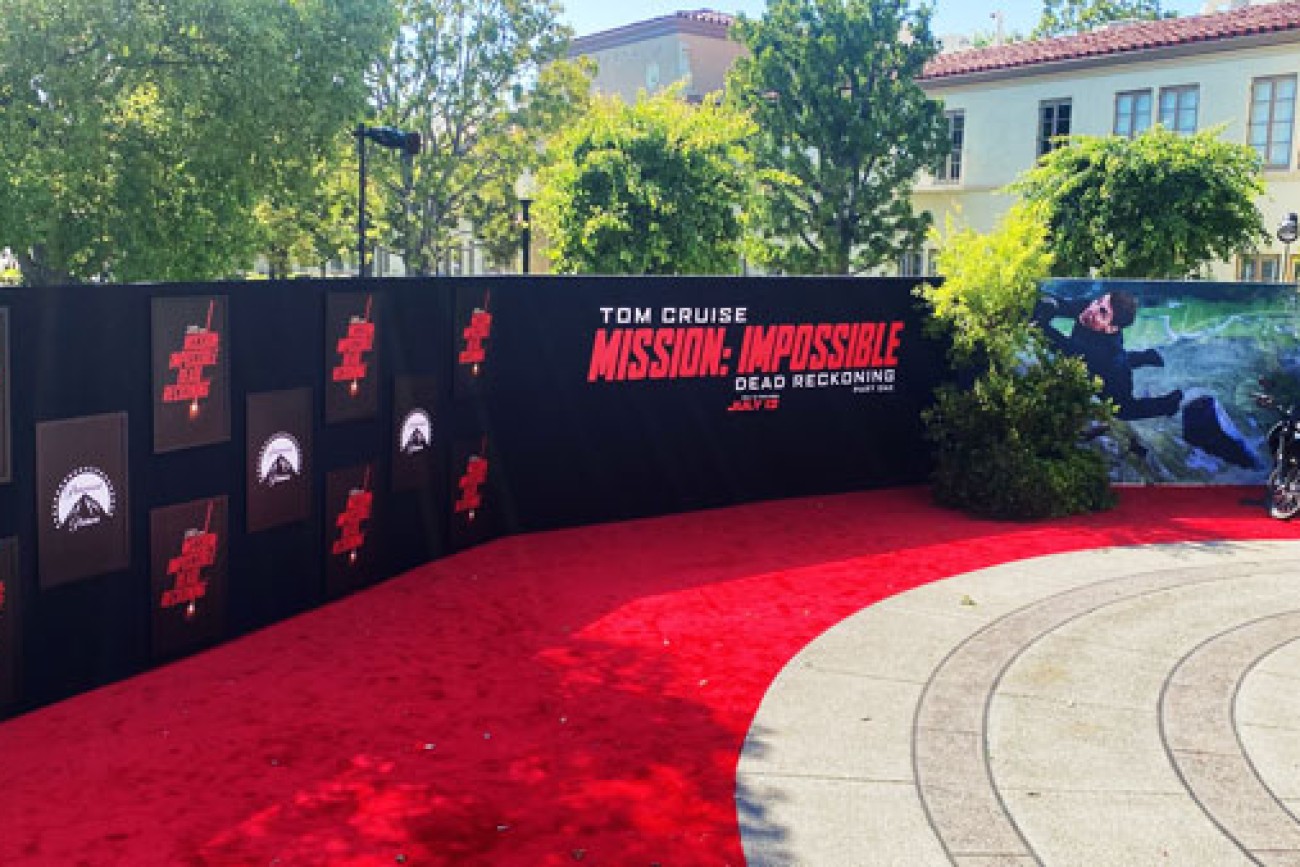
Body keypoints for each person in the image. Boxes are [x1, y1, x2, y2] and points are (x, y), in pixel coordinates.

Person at [1033, 290, 1183, 420]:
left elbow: (1058, 344)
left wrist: (1036, 321)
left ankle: (1169, 404)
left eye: (1103, 312)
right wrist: (1051, 304)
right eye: (1098, 301)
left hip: (1114, 372)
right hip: (1103, 356)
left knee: (1123, 411)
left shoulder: (1104, 354)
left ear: (1112, 328)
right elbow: (1064, 305)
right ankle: (1146, 356)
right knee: (1117, 359)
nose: (1092, 309)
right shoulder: (1091, 308)